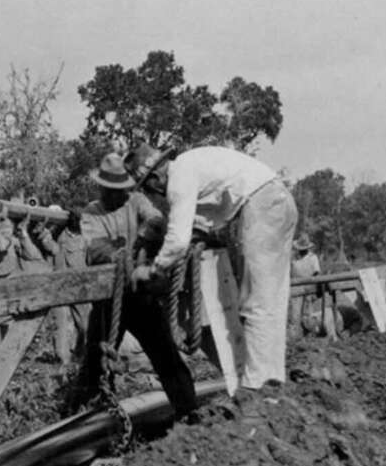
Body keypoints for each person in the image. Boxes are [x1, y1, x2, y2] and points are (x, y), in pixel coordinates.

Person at [125, 143, 298, 396]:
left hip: (265, 204)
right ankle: (269, 379)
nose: (154, 194)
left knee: (258, 301)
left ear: (154, 178)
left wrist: (153, 269)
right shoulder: (191, 168)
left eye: (149, 188)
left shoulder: (179, 179)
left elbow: (178, 240)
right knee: (269, 298)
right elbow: (200, 222)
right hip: (276, 200)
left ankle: (258, 385)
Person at [76, 152, 202, 421]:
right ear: (102, 187)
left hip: (139, 295)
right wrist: (120, 255)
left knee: (165, 353)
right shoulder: (91, 212)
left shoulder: (135, 200)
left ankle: (189, 411)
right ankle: (88, 418)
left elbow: (156, 220)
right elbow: (94, 248)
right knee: (96, 360)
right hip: (108, 296)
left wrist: (143, 239)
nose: (115, 195)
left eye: (119, 190)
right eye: (109, 190)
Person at [33, 209, 90, 365]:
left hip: (80, 285)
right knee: (61, 324)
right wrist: (44, 234)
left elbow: (90, 261)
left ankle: (81, 354)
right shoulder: (59, 235)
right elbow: (51, 247)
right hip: (59, 285)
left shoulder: (86, 238)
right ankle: (63, 360)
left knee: (85, 323)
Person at [289, 234, 323, 336]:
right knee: (295, 315)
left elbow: (317, 273)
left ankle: (309, 335)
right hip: (296, 288)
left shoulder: (313, 258)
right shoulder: (293, 258)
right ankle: (294, 337)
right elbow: (288, 271)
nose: (301, 251)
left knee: (308, 314)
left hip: (309, 288)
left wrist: (315, 287)